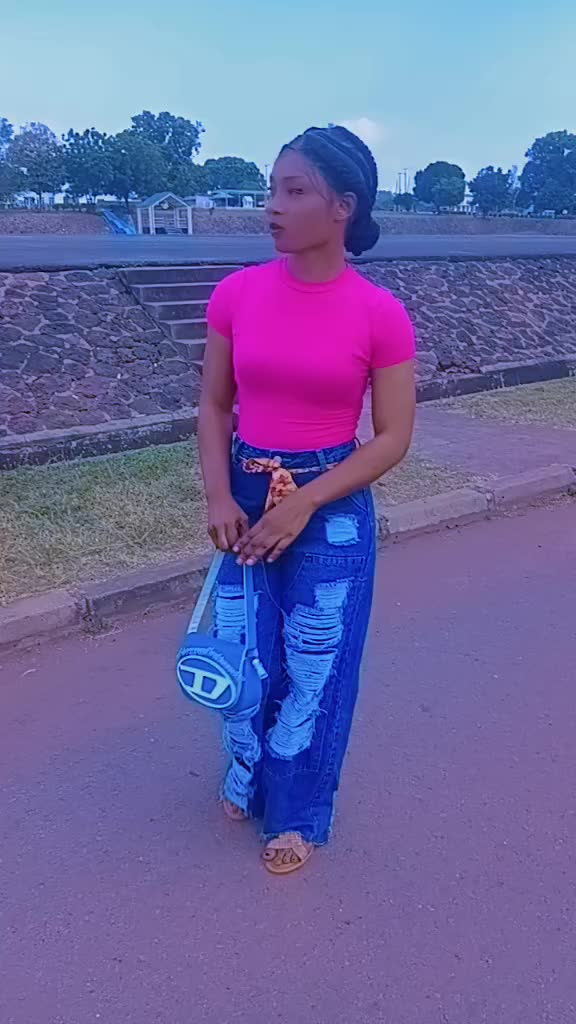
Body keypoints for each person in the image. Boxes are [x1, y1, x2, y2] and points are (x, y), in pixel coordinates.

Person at [198, 124, 416, 875]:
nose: (272, 206)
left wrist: (303, 503)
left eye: (294, 191)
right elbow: (214, 407)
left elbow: (392, 438)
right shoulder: (237, 294)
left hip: (331, 503)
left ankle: (296, 814)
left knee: (316, 666)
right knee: (243, 653)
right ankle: (246, 774)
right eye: (272, 189)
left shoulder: (379, 314)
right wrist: (220, 495)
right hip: (245, 489)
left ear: (342, 207)